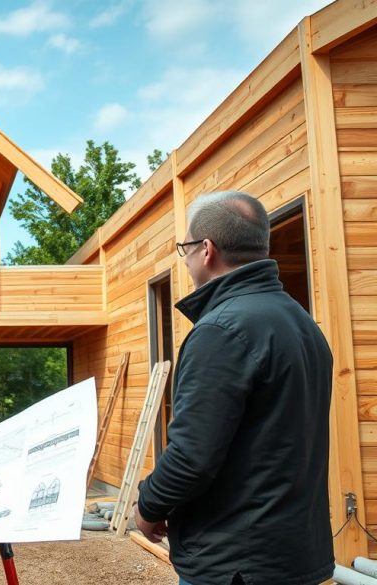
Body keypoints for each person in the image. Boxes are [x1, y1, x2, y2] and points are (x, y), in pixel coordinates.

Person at [134, 191, 334, 585]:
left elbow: (192, 455)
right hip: (293, 556)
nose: (187, 260)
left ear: (205, 250)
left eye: (184, 250)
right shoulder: (301, 322)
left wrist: (149, 504)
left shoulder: (221, 330)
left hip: (235, 564)